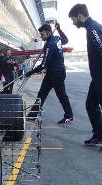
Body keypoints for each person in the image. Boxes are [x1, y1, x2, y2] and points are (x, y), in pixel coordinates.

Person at [25, 23, 73, 124]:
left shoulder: (49, 45)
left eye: (42, 34)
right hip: (55, 73)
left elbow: (43, 65)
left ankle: (69, 116)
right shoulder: (57, 39)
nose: (41, 36)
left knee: (61, 95)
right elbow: (66, 39)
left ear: (48, 33)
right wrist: (59, 29)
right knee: (42, 94)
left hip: (55, 74)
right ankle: (32, 116)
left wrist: (30, 72)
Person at [69, 4, 102, 145]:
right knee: (90, 104)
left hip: (101, 75)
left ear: (80, 16)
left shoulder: (93, 29)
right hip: (97, 77)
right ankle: (99, 135)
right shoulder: (91, 28)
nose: (73, 22)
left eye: (73, 19)